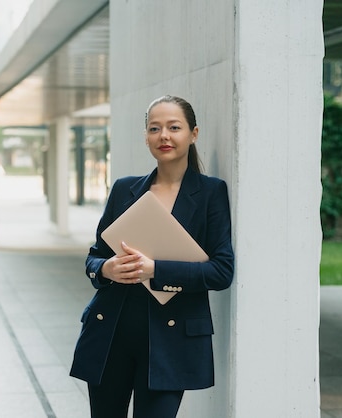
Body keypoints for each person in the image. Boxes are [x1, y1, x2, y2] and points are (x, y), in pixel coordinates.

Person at [70, 95, 235, 418]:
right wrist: (107, 268)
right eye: (154, 128)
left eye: (174, 127)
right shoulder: (125, 189)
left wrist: (155, 270)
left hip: (171, 341)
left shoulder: (211, 193)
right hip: (111, 333)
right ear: (146, 136)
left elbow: (221, 271)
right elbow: (94, 257)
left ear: (194, 134)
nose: (164, 136)